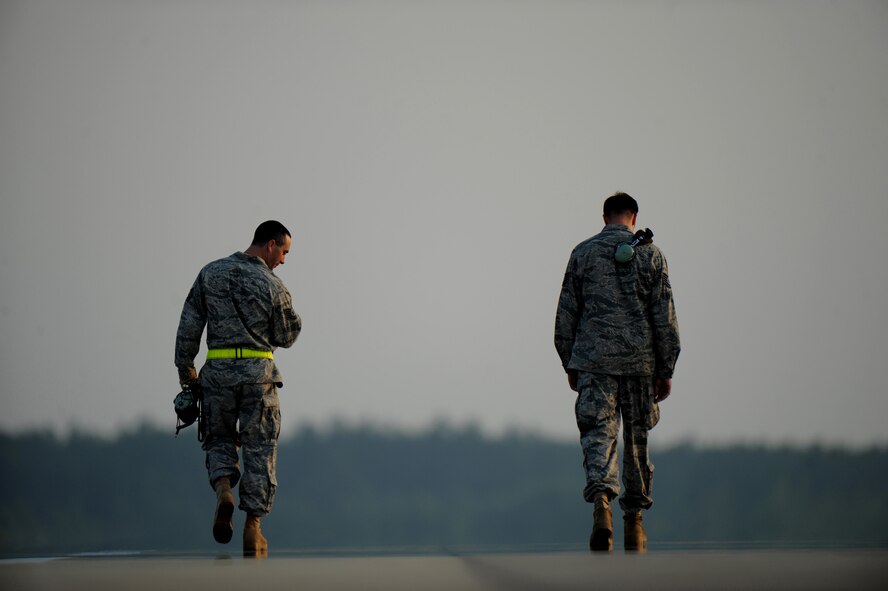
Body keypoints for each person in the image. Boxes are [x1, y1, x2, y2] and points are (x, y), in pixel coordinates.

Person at [554, 192, 680, 552]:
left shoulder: (582, 254)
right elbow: (665, 317)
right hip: (640, 366)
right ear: (634, 217)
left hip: (594, 363)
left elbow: (566, 315)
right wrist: (665, 368)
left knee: (598, 436)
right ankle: (635, 524)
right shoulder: (651, 254)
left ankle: (602, 507)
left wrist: (570, 361)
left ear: (604, 216)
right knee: (637, 441)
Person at [175, 220, 302, 557]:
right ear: (271, 245)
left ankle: (223, 493)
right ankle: (253, 529)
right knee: (260, 451)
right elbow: (288, 336)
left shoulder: (210, 273)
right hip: (258, 378)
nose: (284, 261)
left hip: (216, 376)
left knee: (217, 439)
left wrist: (187, 371)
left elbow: (189, 324)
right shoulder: (274, 286)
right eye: (285, 252)